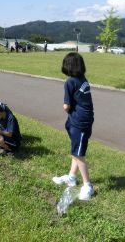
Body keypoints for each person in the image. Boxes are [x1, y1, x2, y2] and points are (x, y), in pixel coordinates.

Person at [52, 52, 95, 199]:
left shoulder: (69, 82)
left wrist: (69, 109)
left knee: (78, 154)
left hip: (80, 121)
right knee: (75, 149)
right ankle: (71, 176)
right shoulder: (83, 79)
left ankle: (87, 185)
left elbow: (66, 106)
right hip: (81, 119)